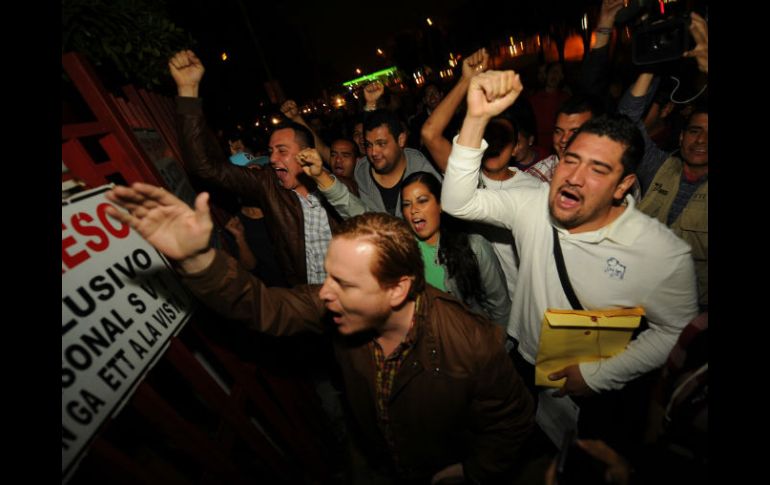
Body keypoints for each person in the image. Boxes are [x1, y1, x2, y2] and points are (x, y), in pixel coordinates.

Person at [105, 183, 535, 484]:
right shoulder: (334, 308)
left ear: (398, 289)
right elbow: (264, 306)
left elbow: (512, 421)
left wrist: (475, 471)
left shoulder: (471, 341)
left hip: (438, 468)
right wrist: (200, 259)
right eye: (328, 277)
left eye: (344, 284)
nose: (324, 294)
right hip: (372, 460)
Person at [441, 70, 698, 451]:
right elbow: (457, 201)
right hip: (525, 356)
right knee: (531, 439)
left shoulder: (660, 251)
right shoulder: (530, 201)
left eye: (598, 169)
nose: (574, 178)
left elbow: (674, 330)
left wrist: (599, 376)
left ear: (624, 185)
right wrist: (476, 117)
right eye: (571, 160)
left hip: (591, 381)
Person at [169, 49, 357, 286]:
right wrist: (188, 92)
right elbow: (205, 167)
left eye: (282, 151)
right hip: (307, 302)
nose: (273, 159)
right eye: (270, 152)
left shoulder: (340, 187)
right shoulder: (269, 184)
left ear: (306, 153)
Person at [617, 12, 709, 309]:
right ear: (681, 138)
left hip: (696, 311)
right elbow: (627, 121)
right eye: (694, 131)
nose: (701, 139)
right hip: (641, 296)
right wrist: (651, 61)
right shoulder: (659, 167)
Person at [400, 171, 511, 326]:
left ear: (440, 205)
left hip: (473, 342)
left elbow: (500, 307)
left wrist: (497, 347)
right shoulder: (403, 253)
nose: (413, 210)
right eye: (407, 204)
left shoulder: (474, 246)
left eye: (422, 200)